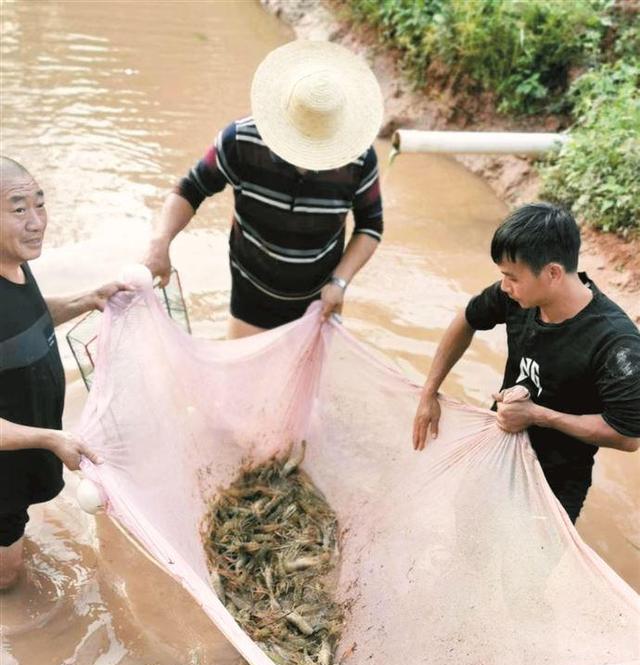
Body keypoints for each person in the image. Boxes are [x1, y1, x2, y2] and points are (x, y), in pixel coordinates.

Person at [412, 203, 640, 523]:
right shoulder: (517, 297)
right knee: (464, 531)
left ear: (552, 273)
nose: (505, 286)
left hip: (554, 484)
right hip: (495, 449)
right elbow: (467, 319)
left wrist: (538, 415)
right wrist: (428, 392)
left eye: (511, 277)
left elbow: (627, 437)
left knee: (527, 571)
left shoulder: (617, 345)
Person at [143, 40, 384, 338]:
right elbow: (190, 189)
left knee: (306, 383)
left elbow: (371, 226)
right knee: (243, 378)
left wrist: (340, 283)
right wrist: (160, 241)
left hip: (319, 300)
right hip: (251, 292)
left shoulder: (358, 157)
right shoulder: (240, 141)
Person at [0, 156, 131, 589]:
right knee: (8, 577)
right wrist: (50, 438)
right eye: (18, 209)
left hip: (21, 459)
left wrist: (87, 298)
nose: (36, 221)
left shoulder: (15, 266)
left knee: (15, 531)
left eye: (40, 204)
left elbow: (30, 319)